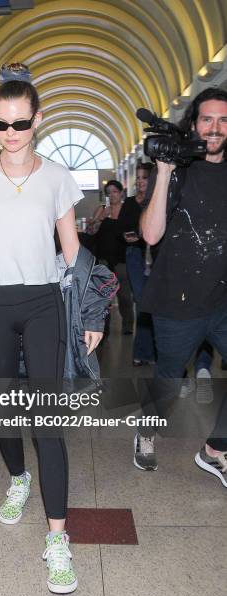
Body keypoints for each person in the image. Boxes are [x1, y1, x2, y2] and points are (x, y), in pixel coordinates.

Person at [0, 62, 103, 594]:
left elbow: (73, 252)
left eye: (19, 124)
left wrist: (90, 312)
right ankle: (18, 479)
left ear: (37, 119)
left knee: (48, 420)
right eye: (0, 125)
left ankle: (57, 538)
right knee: (5, 408)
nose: (9, 135)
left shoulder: (59, 178)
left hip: (42, 304)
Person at [133, 87, 227, 482]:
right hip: (178, 301)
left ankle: (216, 449)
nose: (215, 128)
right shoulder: (177, 169)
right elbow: (151, 235)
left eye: (224, 120)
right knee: (169, 382)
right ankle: (147, 429)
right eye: (207, 119)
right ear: (193, 122)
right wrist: (165, 171)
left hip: (223, 298)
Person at [117, 163, 156, 364]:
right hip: (135, 255)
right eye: (138, 178)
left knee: (154, 304)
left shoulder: (159, 201)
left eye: (144, 178)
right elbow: (121, 228)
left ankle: (152, 351)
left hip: (157, 257)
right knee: (142, 302)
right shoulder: (130, 203)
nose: (140, 181)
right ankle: (142, 353)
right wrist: (127, 236)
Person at [89, 180, 134, 334]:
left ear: (121, 193)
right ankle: (104, 328)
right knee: (104, 296)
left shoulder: (126, 210)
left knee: (125, 296)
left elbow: (133, 230)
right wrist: (101, 218)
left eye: (115, 191)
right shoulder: (101, 209)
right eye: (109, 192)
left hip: (121, 258)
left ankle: (127, 326)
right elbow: (90, 232)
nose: (112, 195)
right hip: (103, 259)